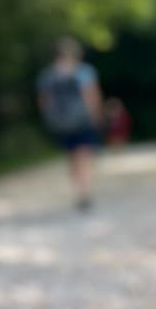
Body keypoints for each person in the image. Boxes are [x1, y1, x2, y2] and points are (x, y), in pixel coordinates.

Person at [36, 37, 103, 209]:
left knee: (72, 156)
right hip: (82, 120)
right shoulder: (84, 71)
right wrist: (96, 115)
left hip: (62, 122)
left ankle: (78, 189)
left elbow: (44, 101)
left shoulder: (48, 74)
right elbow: (91, 96)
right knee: (84, 155)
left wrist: (51, 119)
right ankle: (85, 190)